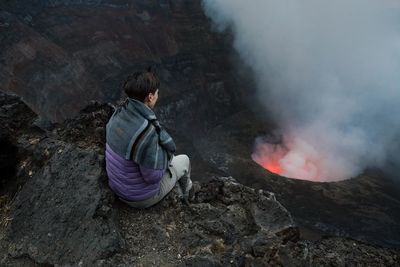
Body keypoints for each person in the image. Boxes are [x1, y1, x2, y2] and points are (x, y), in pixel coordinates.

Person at [105, 68, 192, 208]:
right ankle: (188, 195)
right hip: (139, 198)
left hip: (117, 186)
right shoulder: (147, 134)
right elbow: (152, 178)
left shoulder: (118, 114)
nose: (158, 96)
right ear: (150, 97)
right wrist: (165, 157)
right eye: (157, 93)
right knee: (184, 160)